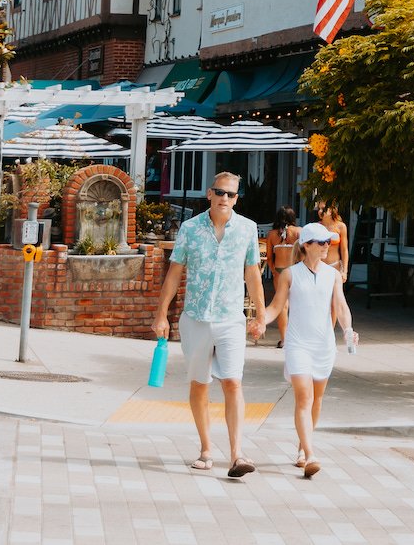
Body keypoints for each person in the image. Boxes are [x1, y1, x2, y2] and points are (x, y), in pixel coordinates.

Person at [152, 170, 266, 478]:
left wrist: (261, 314)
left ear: (236, 198)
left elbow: (253, 273)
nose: (225, 198)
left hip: (231, 319)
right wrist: (161, 314)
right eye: (220, 192)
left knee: (233, 382)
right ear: (209, 194)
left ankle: (237, 454)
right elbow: (175, 272)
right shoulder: (190, 229)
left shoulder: (247, 229)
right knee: (200, 384)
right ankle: (205, 449)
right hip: (196, 318)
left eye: (231, 194)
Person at [260, 221, 356, 479]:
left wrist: (347, 330)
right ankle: (311, 454)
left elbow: (342, 306)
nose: (327, 246)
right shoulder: (290, 274)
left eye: (329, 242)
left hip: (324, 346)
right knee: (304, 398)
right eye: (322, 242)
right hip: (298, 344)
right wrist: (260, 321)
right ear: (306, 245)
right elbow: (276, 306)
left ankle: (303, 446)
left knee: (316, 400)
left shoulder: (333, 275)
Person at [262, 206, 301, 348]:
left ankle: (284, 339)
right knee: (299, 305)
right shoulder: (298, 232)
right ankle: (298, 339)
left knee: (282, 307)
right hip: (296, 271)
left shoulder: (272, 234)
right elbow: (303, 254)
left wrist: (274, 271)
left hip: (279, 272)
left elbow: (269, 257)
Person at [317, 200, 349, 282]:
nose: (320, 211)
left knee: (335, 294)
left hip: (335, 266)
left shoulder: (341, 226)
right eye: (319, 209)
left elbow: (344, 250)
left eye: (323, 209)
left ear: (331, 210)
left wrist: (345, 271)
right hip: (319, 266)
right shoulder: (317, 226)